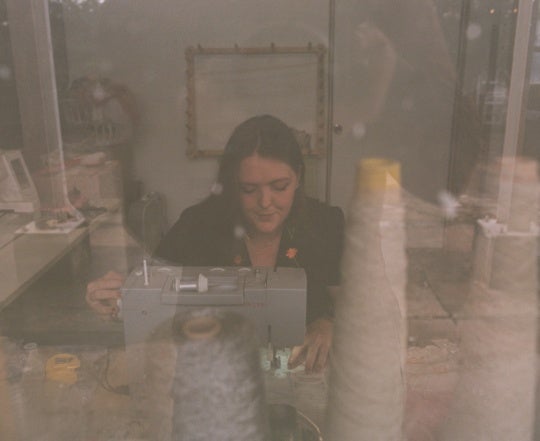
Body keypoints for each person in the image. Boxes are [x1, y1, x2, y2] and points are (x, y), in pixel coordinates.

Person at [86, 115, 344, 373]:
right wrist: (119, 301)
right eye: (249, 189)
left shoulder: (324, 225)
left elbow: (353, 305)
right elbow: (152, 296)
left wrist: (328, 323)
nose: (265, 202)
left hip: (303, 370)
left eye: (280, 186)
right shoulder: (198, 226)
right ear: (232, 184)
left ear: (298, 177)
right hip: (214, 373)